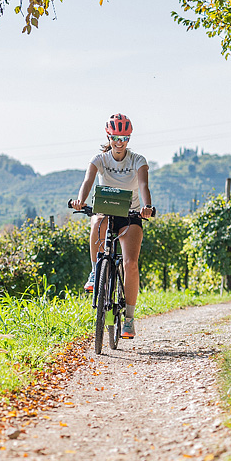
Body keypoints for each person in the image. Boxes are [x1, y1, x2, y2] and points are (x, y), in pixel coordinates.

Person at [68, 113, 155, 339]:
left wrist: (147, 206)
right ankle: (97, 272)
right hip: (106, 210)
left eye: (124, 137)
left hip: (131, 213)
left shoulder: (138, 160)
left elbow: (144, 184)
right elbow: (87, 181)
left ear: (129, 139)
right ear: (109, 136)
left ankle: (128, 318)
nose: (119, 142)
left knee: (130, 263)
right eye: (116, 137)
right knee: (97, 219)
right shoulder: (99, 159)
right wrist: (80, 201)